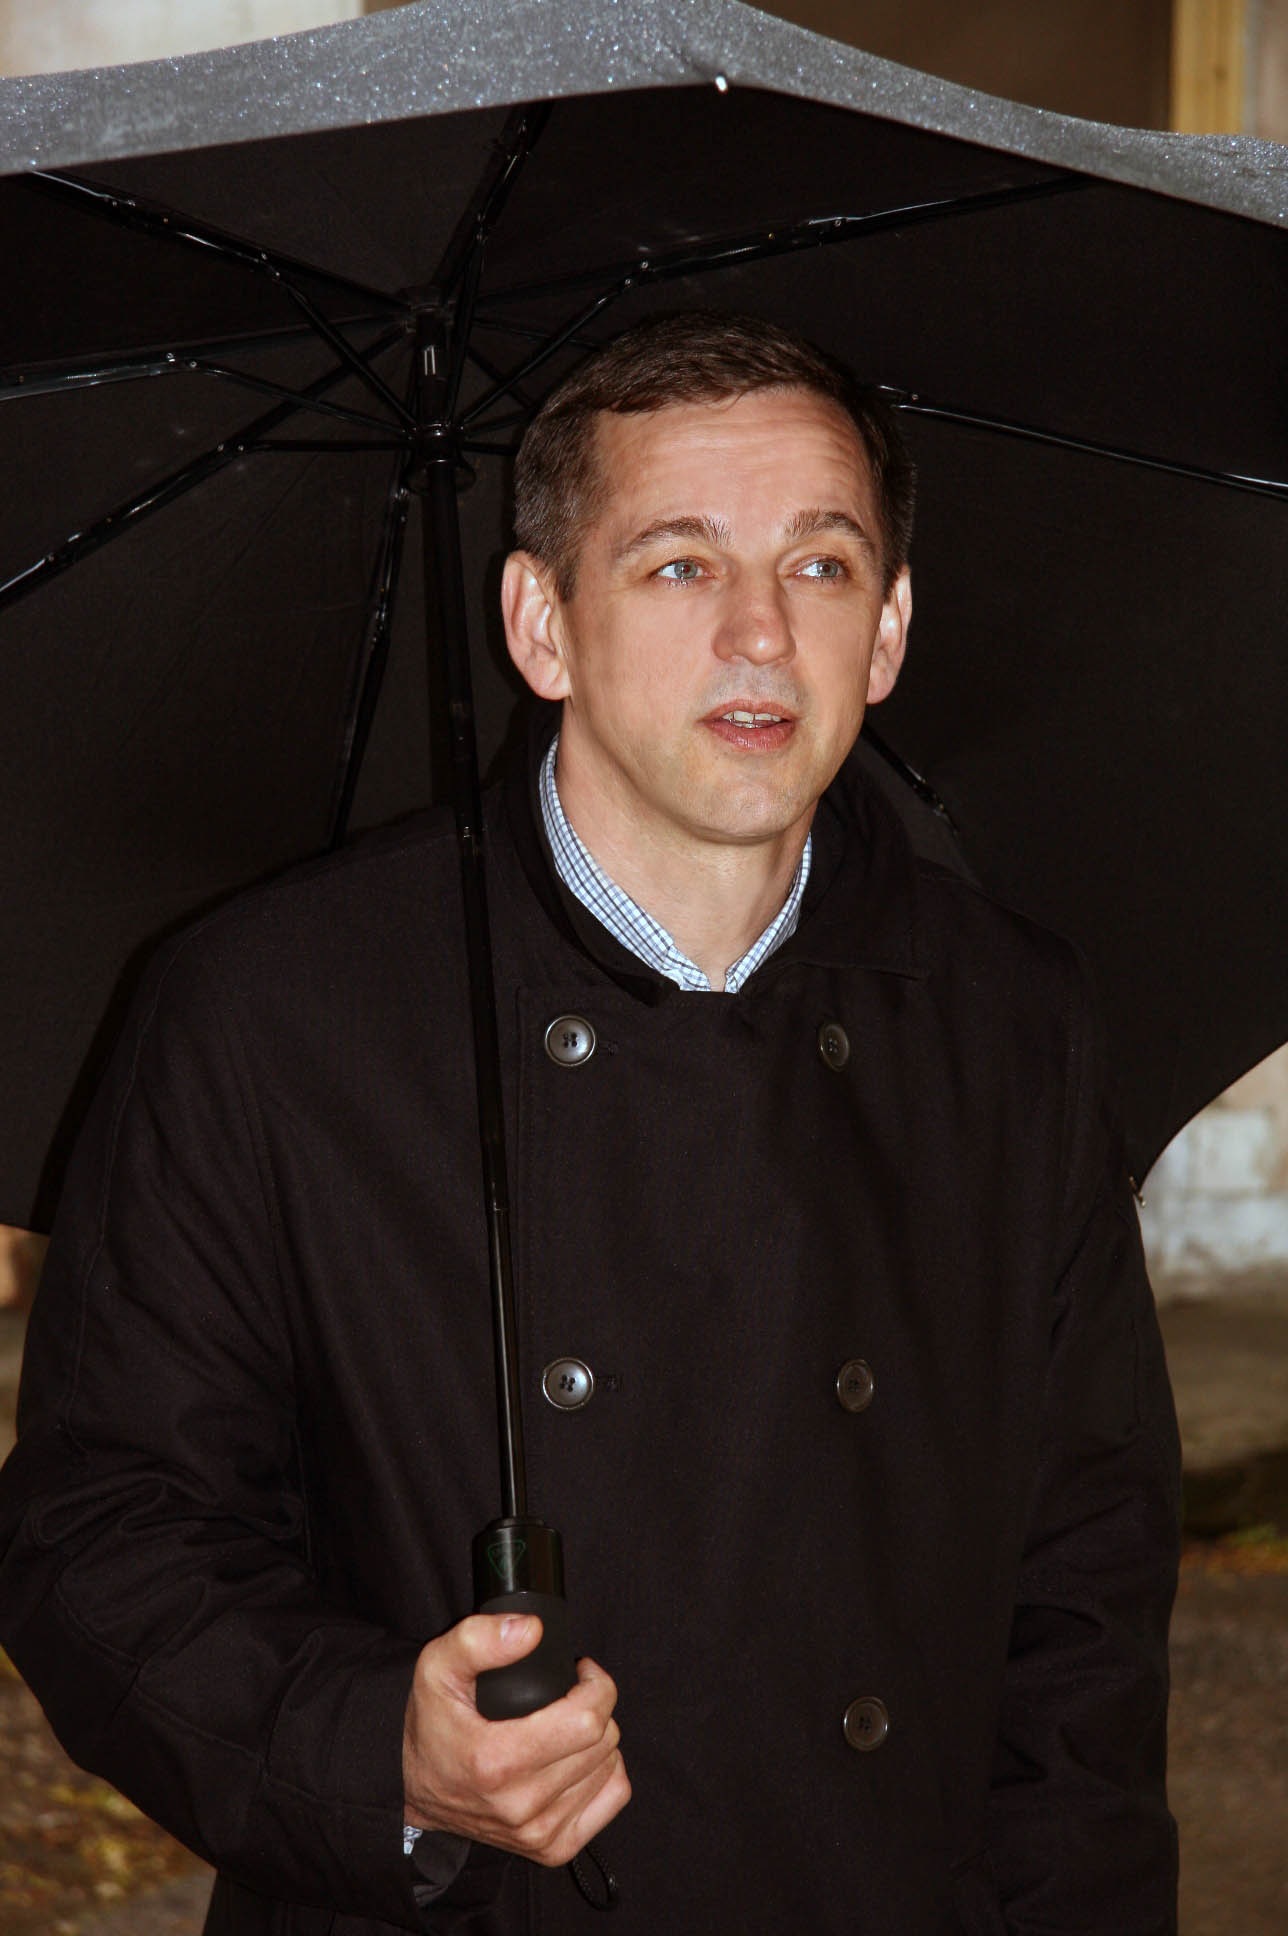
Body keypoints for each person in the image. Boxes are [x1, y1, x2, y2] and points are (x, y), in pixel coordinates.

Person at [0, 311, 1180, 1934]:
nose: (761, 633)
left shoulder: (1010, 1018)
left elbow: (1087, 1594)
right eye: (680, 566)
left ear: (891, 630)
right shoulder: (270, 1012)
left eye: (822, 565)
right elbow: (102, 1535)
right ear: (540, 624)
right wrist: (377, 1749)